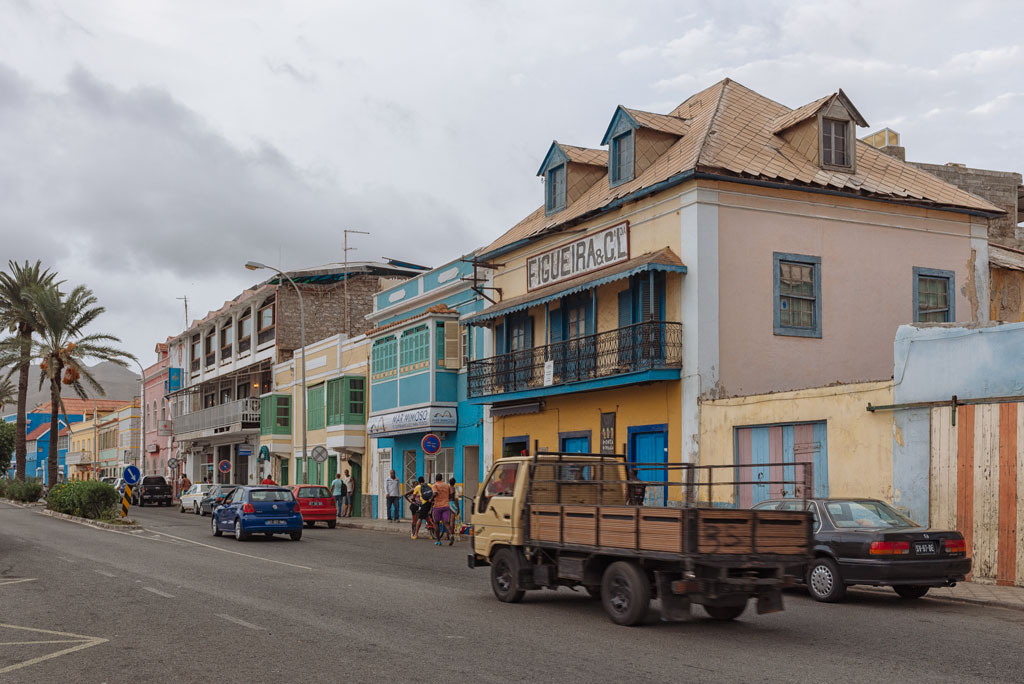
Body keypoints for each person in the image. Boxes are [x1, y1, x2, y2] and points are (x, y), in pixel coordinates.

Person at [431, 473, 455, 546]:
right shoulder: (447, 485)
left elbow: (435, 493)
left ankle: (438, 540)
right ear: (442, 478)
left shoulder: (435, 485)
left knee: (436, 523)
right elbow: (451, 495)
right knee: (446, 523)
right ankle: (451, 535)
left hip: (437, 506)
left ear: (436, 478)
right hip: (446, 506)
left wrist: (431, 499)